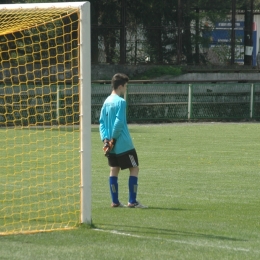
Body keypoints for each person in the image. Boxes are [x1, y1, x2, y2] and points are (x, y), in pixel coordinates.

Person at [99, 73, 147, 208]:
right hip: (123, 144)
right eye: (125, 86)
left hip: (110, 144)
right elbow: (119, 122)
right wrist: (114, 138)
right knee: (134, 168)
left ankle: (115, 201)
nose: (125, 89)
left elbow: (101, 122)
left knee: (114, 169)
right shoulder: (121, 102)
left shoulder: (106, 101)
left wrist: (106, 140)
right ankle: (132, 201)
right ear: (120, 86)